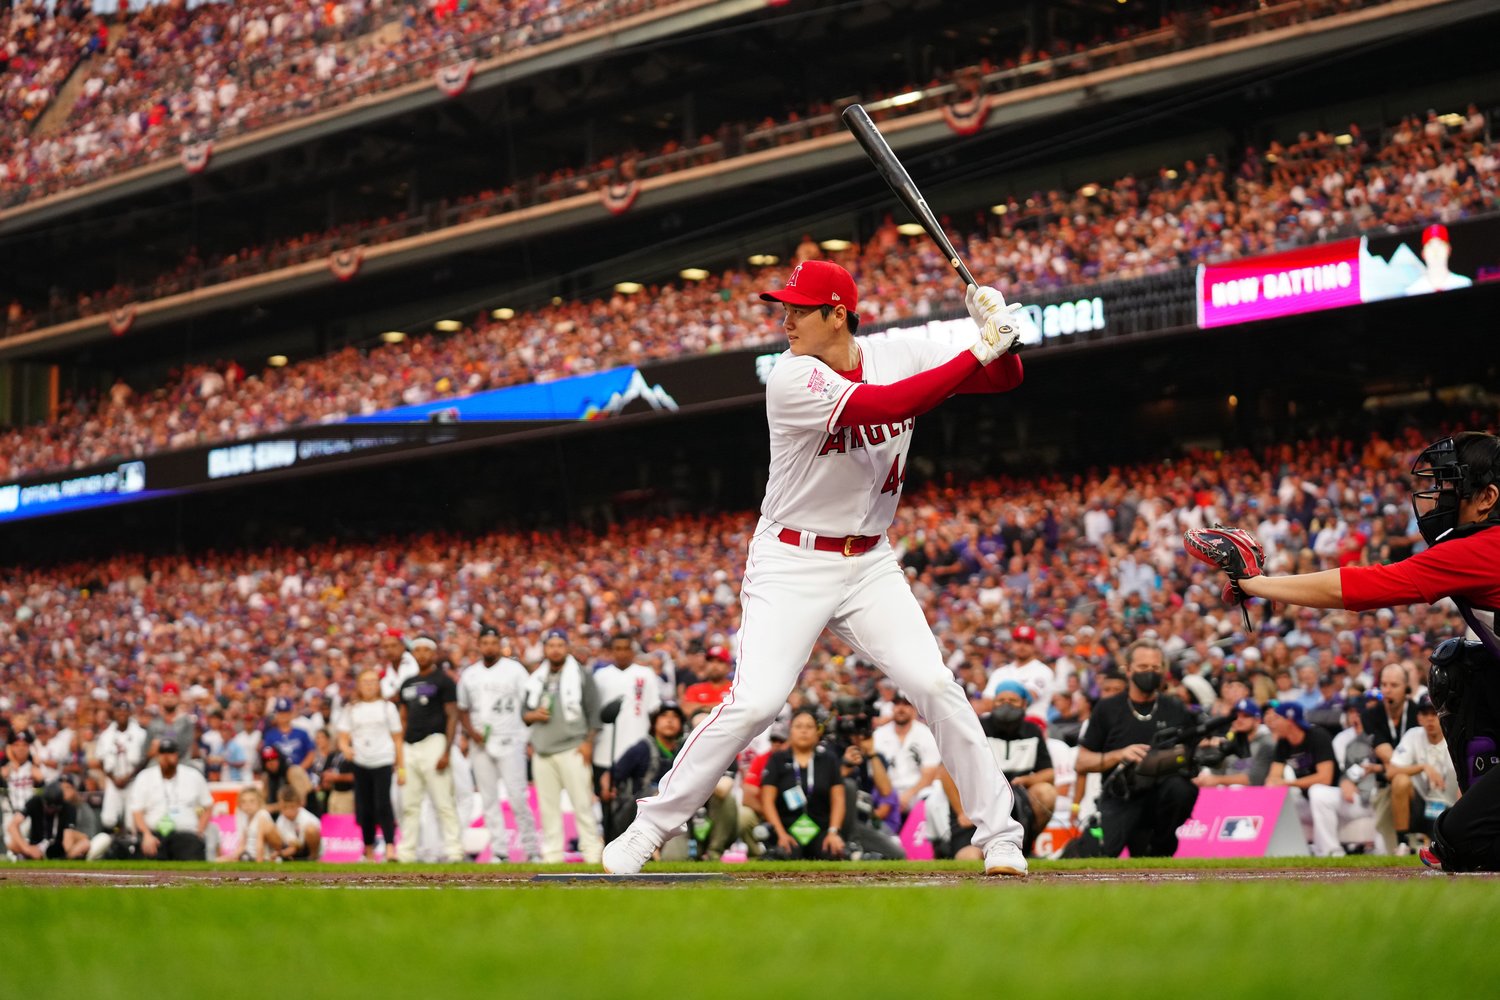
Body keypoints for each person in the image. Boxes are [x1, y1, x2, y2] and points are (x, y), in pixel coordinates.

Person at [604, 261, 1028, 876]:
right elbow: (884, 404)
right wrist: (978, 350)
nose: (786, 318)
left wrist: (998, 337)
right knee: (754, 705)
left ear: (837, 313)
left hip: (870, 560)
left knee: (936, 686)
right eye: (787, 307)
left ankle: (1001, 838)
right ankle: (648, 829)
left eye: (800, 309)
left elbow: (1004, 381)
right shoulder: (790, 375)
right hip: (791, 559)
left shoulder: (898, 350)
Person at [1185, 433, 1500, 870]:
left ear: (1487, 497)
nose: (1437, 497)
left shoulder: (1484, 547)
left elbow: (1364, 586)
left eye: (1450, 487)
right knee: (1464, 665)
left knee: (1458, 840)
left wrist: (1258, 582)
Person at [1075, 638, 1200, 858]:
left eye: (1155, 667)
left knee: (1181, 789)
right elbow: (1082, 762)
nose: (1150, 672)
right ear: (1129, 669)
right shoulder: (1107, 708)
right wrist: (1120, 755)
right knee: (1100, 856)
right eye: (1143, 667)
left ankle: (1161, 844)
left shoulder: (1175, 708)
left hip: (1161, 797)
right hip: (1120, 796)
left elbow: (1192, 752)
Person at [456, 624, 541, 863]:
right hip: (480, 743)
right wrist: (471, 733)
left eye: (494, 642)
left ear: (500, 644)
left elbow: (529, 702)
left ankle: (532, 849)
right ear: (479, 644)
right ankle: (499, 851)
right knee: (488, 798)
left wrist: (527, 735)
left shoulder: (515, 670)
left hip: (510, 739)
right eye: (485, 643)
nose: (489, 647)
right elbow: (462, 709)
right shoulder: (470, 674)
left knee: (517, 796)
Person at [523, 629, 604, 864]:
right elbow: (523, 713)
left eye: (560, 645)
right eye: (551, 645)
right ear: (545, 649)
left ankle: (591, 854)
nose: (555, 649)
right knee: (548, 809)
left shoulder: (581, 674)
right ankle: (552, 856)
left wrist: (588, 743)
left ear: (567, 648)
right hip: (543, 750)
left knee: (582, 805)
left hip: (573, 747)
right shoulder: (536, 677)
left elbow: (593, 712)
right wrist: (533, 715)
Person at [396, 636, 461, 863]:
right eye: (418, 650)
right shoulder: (407, 683)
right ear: (413, 654)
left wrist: (446, 750)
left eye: (426, 650)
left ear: (433, 654)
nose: (422, 654)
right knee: (410, 803)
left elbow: (452, 715)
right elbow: (402, 718)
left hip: (434, 741)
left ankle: (454, 850)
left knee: (443, 800)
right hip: (410, 744)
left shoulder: (444, 681)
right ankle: (406, 852)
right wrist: (401, 751)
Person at [758, 709, 846, 860]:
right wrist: (781, 833)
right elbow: (767, 801)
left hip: (821, 829)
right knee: (785, 854)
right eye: (798, 726)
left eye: (809, 727)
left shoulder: (828, 760)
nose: (804, 731)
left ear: (817, 732)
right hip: (787, 828)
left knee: (832, 853)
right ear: (790, 731)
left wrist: (833, 832)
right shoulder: (778, 759)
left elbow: (838, 799)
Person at [981, 680, 1056, 854]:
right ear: (993, 704)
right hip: (986, 792)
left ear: (1024, 704)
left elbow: (1049, 772)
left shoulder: (1033, 731)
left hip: (1021, 790)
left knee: (1046, 792)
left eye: (1012, 701)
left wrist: (1028, 780)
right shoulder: (980, 728)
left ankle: (1026, 844)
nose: (1006, 705)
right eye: (1000, 701)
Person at [335, 669, 404, 862]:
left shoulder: (387, 707)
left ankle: (390, 847)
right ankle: (368, 849)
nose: (369, 685)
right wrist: (345, 748)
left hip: (383, 760)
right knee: (364, 807)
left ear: (379, 684)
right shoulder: (351, 709)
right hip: (361, 761)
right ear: (359, 684)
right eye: (365, 681)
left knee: (383, 804)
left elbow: (397, 739)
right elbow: (342, 736)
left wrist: (401, 768)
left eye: (373, 681)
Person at [605, 703, 688, 857]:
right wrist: (607, 790)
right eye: (664, 716)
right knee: (657, 793)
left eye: (675, 717)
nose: (669, 721)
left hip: (673, 809)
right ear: (654, 723)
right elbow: (610, 776)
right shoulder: (642, 748)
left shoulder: (684, 750)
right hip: (638, 812)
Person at [1388, 697, 1459, 852]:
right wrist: (1423, 767)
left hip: (1449, 806)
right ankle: (1403, 844)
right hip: (1420, 805)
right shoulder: (1413, 735)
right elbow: (1391, 771)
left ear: (1443, 715)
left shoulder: (1455, 736)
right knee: (1400, 781)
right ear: (1419, 717)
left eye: (1434, 713)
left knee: (1466, 790)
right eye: (1425, 713)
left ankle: (1461, 840)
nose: (1429, 719)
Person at [128, 737, 213, 860]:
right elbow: (137, 811)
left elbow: (208, 805)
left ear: (177, 755)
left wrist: (199, 832)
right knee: (149, 855)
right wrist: (146, 834)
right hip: (154, 834)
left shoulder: (193, 775)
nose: (166, 757)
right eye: (163, 753)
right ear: (157, 756)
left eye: (170, 753)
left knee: (192, 852)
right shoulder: (145, 777)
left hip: (186, 834)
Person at [92, 700, 148, 831]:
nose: (121, 714)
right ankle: (115, 843)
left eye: (124, 711)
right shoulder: (106, 735)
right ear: (114, 713)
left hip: (134, 780)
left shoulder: (140, 734)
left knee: (131, 821)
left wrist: (128, 777)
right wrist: (112, 778)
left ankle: (132, 846)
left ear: (129, 712)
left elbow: (145, 759)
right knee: (108, 819)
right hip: (113, 780)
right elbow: (100, 758)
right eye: (118, 711)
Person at [1195, 698, 1274, 787]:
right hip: (1227, 793)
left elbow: (1254, 780)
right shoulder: (1231, 742)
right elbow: (1217, 771)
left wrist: (1217, 780)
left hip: (1255, 794)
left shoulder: (1266, 743)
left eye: (1245, 716)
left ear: (1257, 720)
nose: (1239, 720)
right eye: (1236, 716)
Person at [5, 782, 89, 860]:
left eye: (54, 808)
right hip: (36, 845)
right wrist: (27, 849)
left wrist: (66, 852)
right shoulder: (35, 802)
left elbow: (67, 842)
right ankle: (27, 856)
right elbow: (12, 826)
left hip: (58, 847)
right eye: (49, 807)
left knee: (85, 843)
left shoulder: (69, 808)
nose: (51, 810)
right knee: (12, 844)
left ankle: (61, 859)